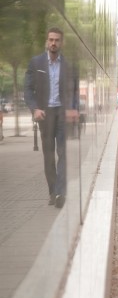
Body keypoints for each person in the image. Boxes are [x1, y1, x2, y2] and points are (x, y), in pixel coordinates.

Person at [24, 27, 79, 208]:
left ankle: (60, 193)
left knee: (63, 153)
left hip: (62, 114)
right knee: (49, 156)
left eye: (56, 40)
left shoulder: (68, 65)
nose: (53, 43)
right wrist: (34, 109)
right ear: (47, 42)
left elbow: (74, 90)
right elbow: (28, 90)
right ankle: (52, 191)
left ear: (61, 43)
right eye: (51, 40)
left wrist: (73, 108)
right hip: (45, 114)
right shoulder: (36, 63)